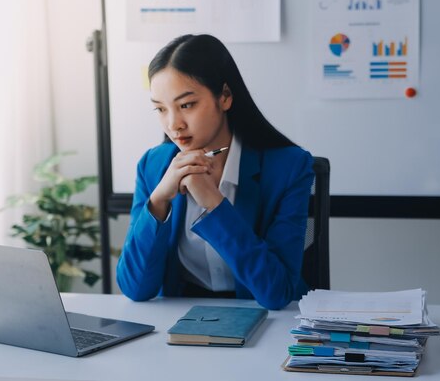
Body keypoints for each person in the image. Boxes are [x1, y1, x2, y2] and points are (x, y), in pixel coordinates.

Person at [116, 34, 314, 310]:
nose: (174, 125)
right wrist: (159, 201)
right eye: (161, 109)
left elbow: (276, 292)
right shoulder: (153, 166)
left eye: (186, 105)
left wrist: (214, 202)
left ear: (225, 97)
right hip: (184, 319)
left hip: (265, 323)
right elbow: (135, 288)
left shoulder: (289, 167)